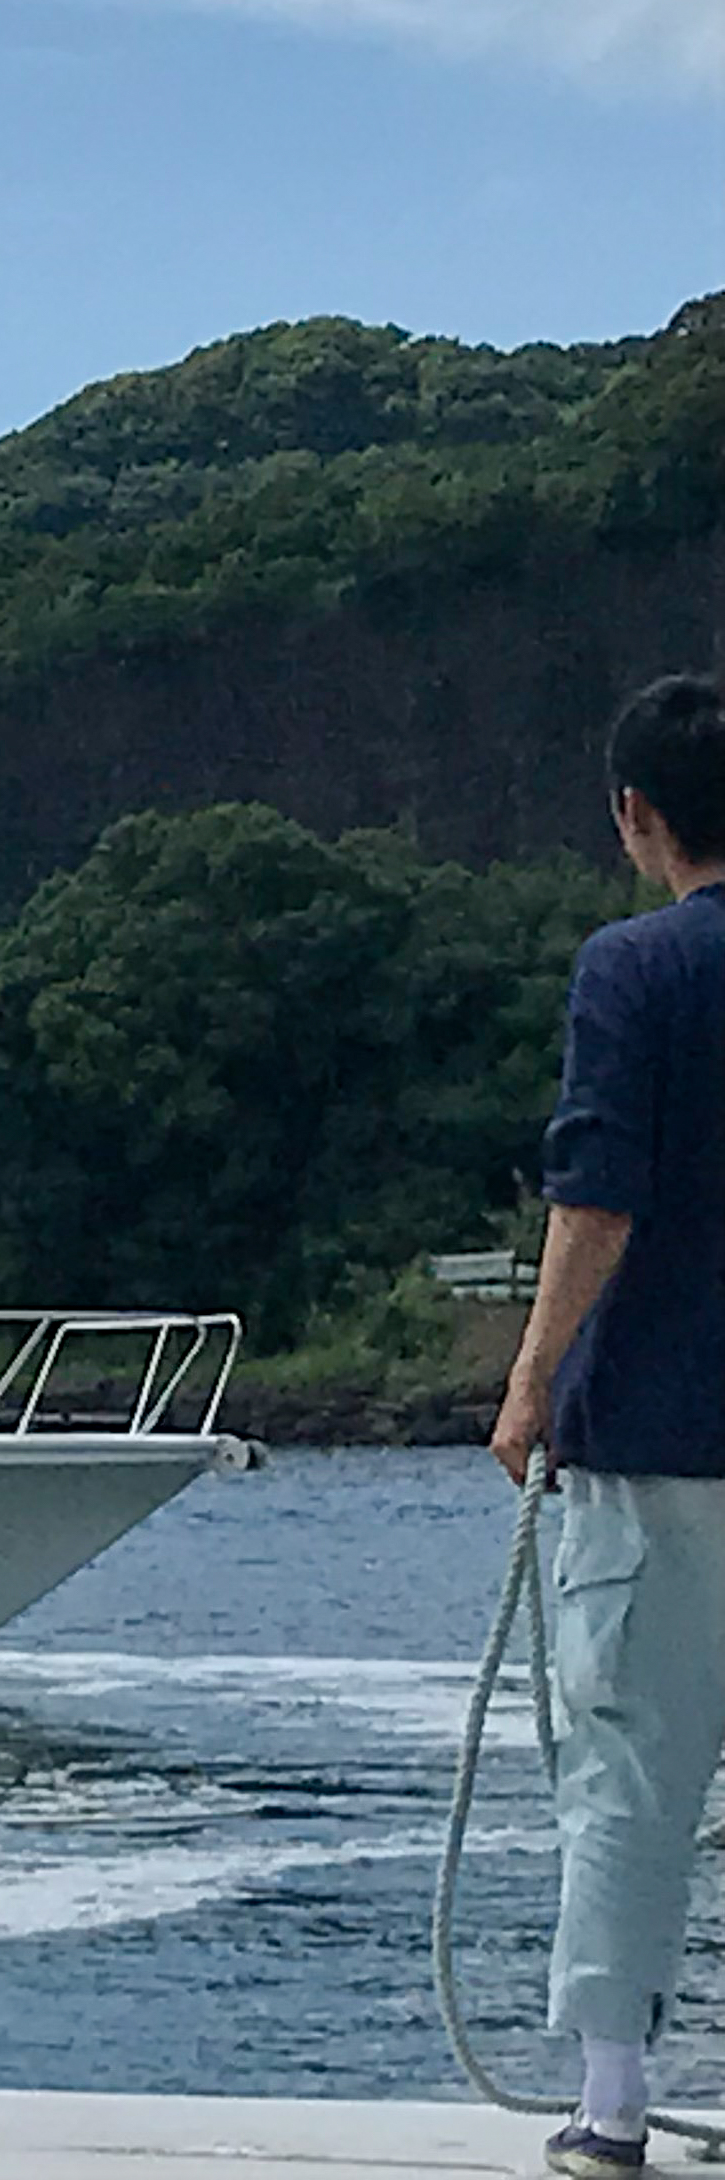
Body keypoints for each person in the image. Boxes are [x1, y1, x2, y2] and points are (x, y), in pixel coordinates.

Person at [491, 672, 725, 2179]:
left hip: (656, 1437)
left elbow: (598, 1200)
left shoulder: (632, 971)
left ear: (637, 815)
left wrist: (528, 1384)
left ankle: (616, 2104)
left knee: (632, 1771)